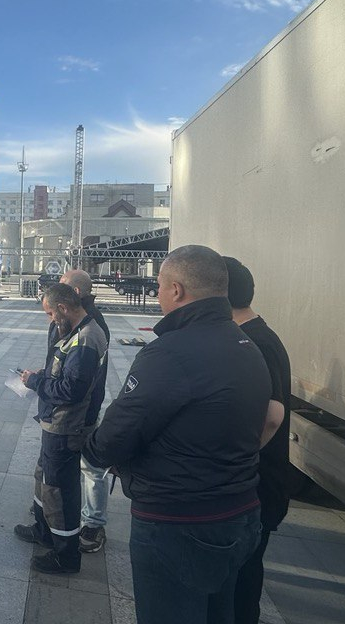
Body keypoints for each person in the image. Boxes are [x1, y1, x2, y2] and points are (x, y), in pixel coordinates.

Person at [84, 245, 271, 624]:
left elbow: (113, 439)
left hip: (178, 522)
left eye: (158, 286)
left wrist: (87, 443)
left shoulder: (170, 353)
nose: (157, 295)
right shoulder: (247, 345)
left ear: (177, 290)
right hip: (238, 513)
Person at [13, 283, 107, 574]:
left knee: (60, 491)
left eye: (51, 313)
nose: (50, 320)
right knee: (44, 478)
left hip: (67, 427)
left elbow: (71, 390)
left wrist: (35, 382)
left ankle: (66, 556)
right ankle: (43, 531)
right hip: (55, 422)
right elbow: (67, 373)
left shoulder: (87, 338)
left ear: (63, 308)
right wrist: (43, 374)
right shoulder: (76, 332)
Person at [224, 257, 292, 624]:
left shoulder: (254, 342)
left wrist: (232, 460)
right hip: (258, 482)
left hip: (256, 484)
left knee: (242, 584)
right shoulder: (256, 334)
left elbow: (271, 416)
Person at [59, 269, 111, 555]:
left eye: (63, 286)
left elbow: (83, 378)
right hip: (70, 408)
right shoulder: (73, 317)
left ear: (76, 292)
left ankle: (93, 524)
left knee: (91, 468)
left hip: (84, 410)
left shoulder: (91, 323)